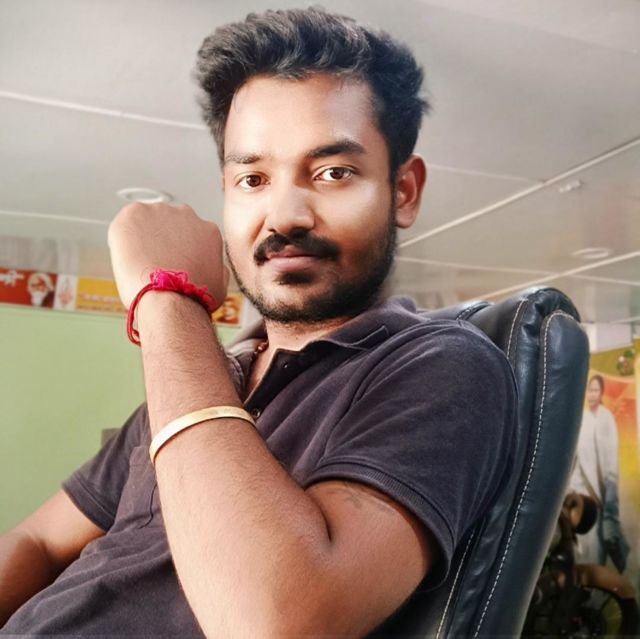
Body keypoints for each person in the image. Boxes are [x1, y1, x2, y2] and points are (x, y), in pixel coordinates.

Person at [0, 8, 517, 637]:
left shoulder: (443, 366)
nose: (285, 215)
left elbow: (273, 623)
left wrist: (166, 300)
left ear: (403, 191)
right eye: (252, 178)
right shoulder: (208, 373)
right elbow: (39, 540)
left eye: (333, 172)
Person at [569, 374, 630, 572]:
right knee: (580, 554)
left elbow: (611, 466)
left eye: (596, 390)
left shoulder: (606, 419)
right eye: (590, 390)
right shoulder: (582, 419)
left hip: (599, 500)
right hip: (580, 497)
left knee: (598, 554)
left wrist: (610, 512)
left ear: (601, 393)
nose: (592, 394)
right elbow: (574, 460)